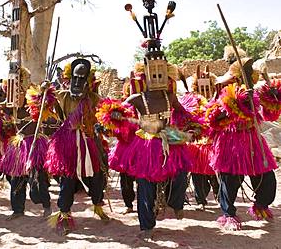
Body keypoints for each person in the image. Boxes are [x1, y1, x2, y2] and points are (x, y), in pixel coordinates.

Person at [98, 60, 194, 239]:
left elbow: (184, 113)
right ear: (146, 77)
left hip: (170, 138)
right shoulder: (137, 98)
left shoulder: (170, 96)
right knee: (146, 186)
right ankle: (147, 225)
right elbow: (119, 111)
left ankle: (175, 202)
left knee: (181, 173)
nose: (158, 78)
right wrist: (114, 115)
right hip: (146, 146)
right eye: (154, 74)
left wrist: (194, 126)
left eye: (162, 74)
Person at [208, 52, 280, 230]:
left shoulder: (254, 93)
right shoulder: (223, 92)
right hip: (230, 142)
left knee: (267, 177)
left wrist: (274, 98)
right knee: (230, 180)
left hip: (253, 140)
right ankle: (229, 214)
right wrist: (239, 103)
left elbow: (269, 113)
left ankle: (261, 206)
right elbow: (213, 118)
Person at [44, 58, 109, 235]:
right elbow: (46, 108)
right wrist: (44, 92)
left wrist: (101, 125)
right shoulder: (62, 95)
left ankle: (98, 206)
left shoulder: (95, 99)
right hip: (67, 144)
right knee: (67, 180)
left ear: (88, 81)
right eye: (75, 78)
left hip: (89, 142)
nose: (78, 82)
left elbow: (104, 117)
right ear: (70, 78)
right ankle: (64, 216)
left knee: (96, 178)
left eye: (82, 79)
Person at [1, 68, 52, 220]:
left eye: (20, 91)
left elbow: (47, 100)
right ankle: (17, 210)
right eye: (14, 92)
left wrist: (44, 91)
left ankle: (46, 205)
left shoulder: (36, 102)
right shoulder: (11, 107)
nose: (18, 95)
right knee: (16, 179)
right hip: (18, 146)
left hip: (35, 144)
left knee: (38, 178)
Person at [182, 66, 219, 210]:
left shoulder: (218, 98)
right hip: (197, 143)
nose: (205, 87)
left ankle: (219, 195)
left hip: (214, 142)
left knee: (216, 172)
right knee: (197, 173)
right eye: (201, 83)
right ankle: (201, 200)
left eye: (207, 83)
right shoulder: (192, 100)